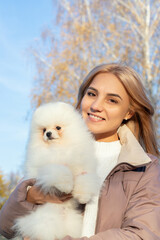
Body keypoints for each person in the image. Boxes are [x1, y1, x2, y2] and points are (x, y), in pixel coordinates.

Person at [0, 63, 160, 239]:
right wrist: (30, 196)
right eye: (91, 94)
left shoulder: (146, 168)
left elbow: (142, 234)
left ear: (128, 113)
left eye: (112, 100)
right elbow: (5, 227)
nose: (96, 106)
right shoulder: (51, 148)